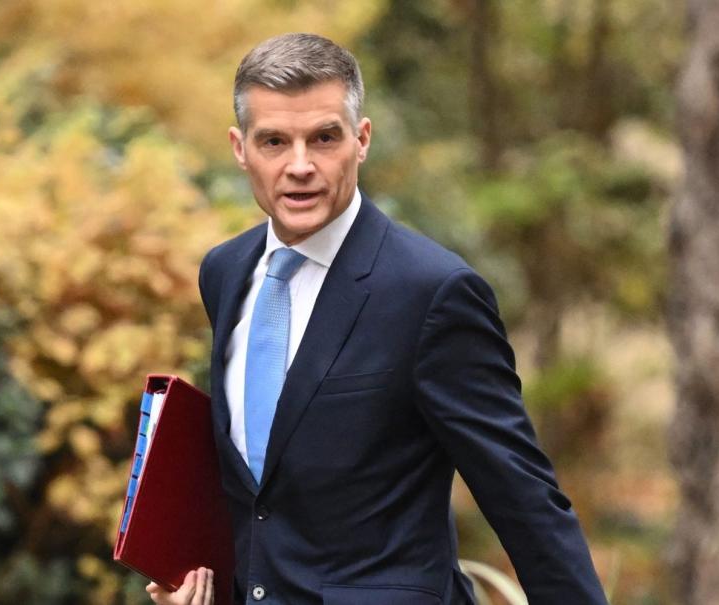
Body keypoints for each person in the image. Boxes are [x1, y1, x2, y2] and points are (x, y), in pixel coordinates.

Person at [148, 33, 608, 605]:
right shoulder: (224, 271)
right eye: (274, 142)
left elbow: (522, 497)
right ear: (240, 149)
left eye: (323, 138)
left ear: (361, 140)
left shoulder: (433, 293)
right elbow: (259, 493)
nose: (300, 166)